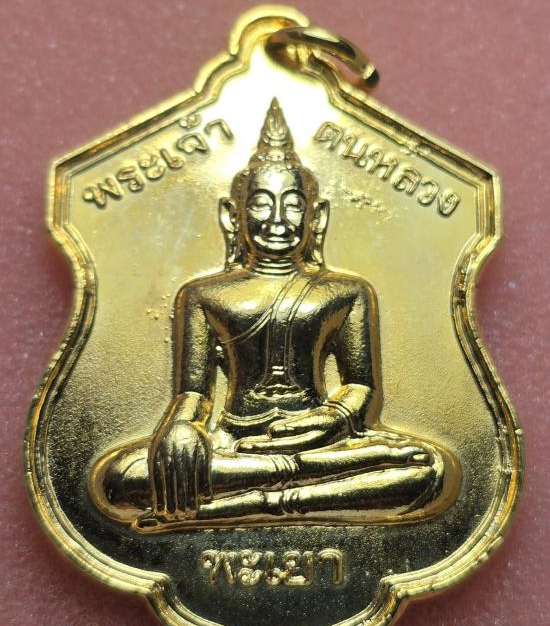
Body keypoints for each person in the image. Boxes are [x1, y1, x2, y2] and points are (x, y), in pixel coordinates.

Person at [90, 98, 459, 530]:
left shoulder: (346, 292)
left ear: (317, 216)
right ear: (233, 216)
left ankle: (245, 506)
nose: (279, 219)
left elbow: (360, 387)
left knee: (426, 468)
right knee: (121, 478)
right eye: (262, 204)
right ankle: (288, 493)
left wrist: (334, 419)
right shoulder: (204, 295)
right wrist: (181, 429)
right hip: (234, 445)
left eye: (294, 204)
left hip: (321, 444)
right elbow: (194, 394)